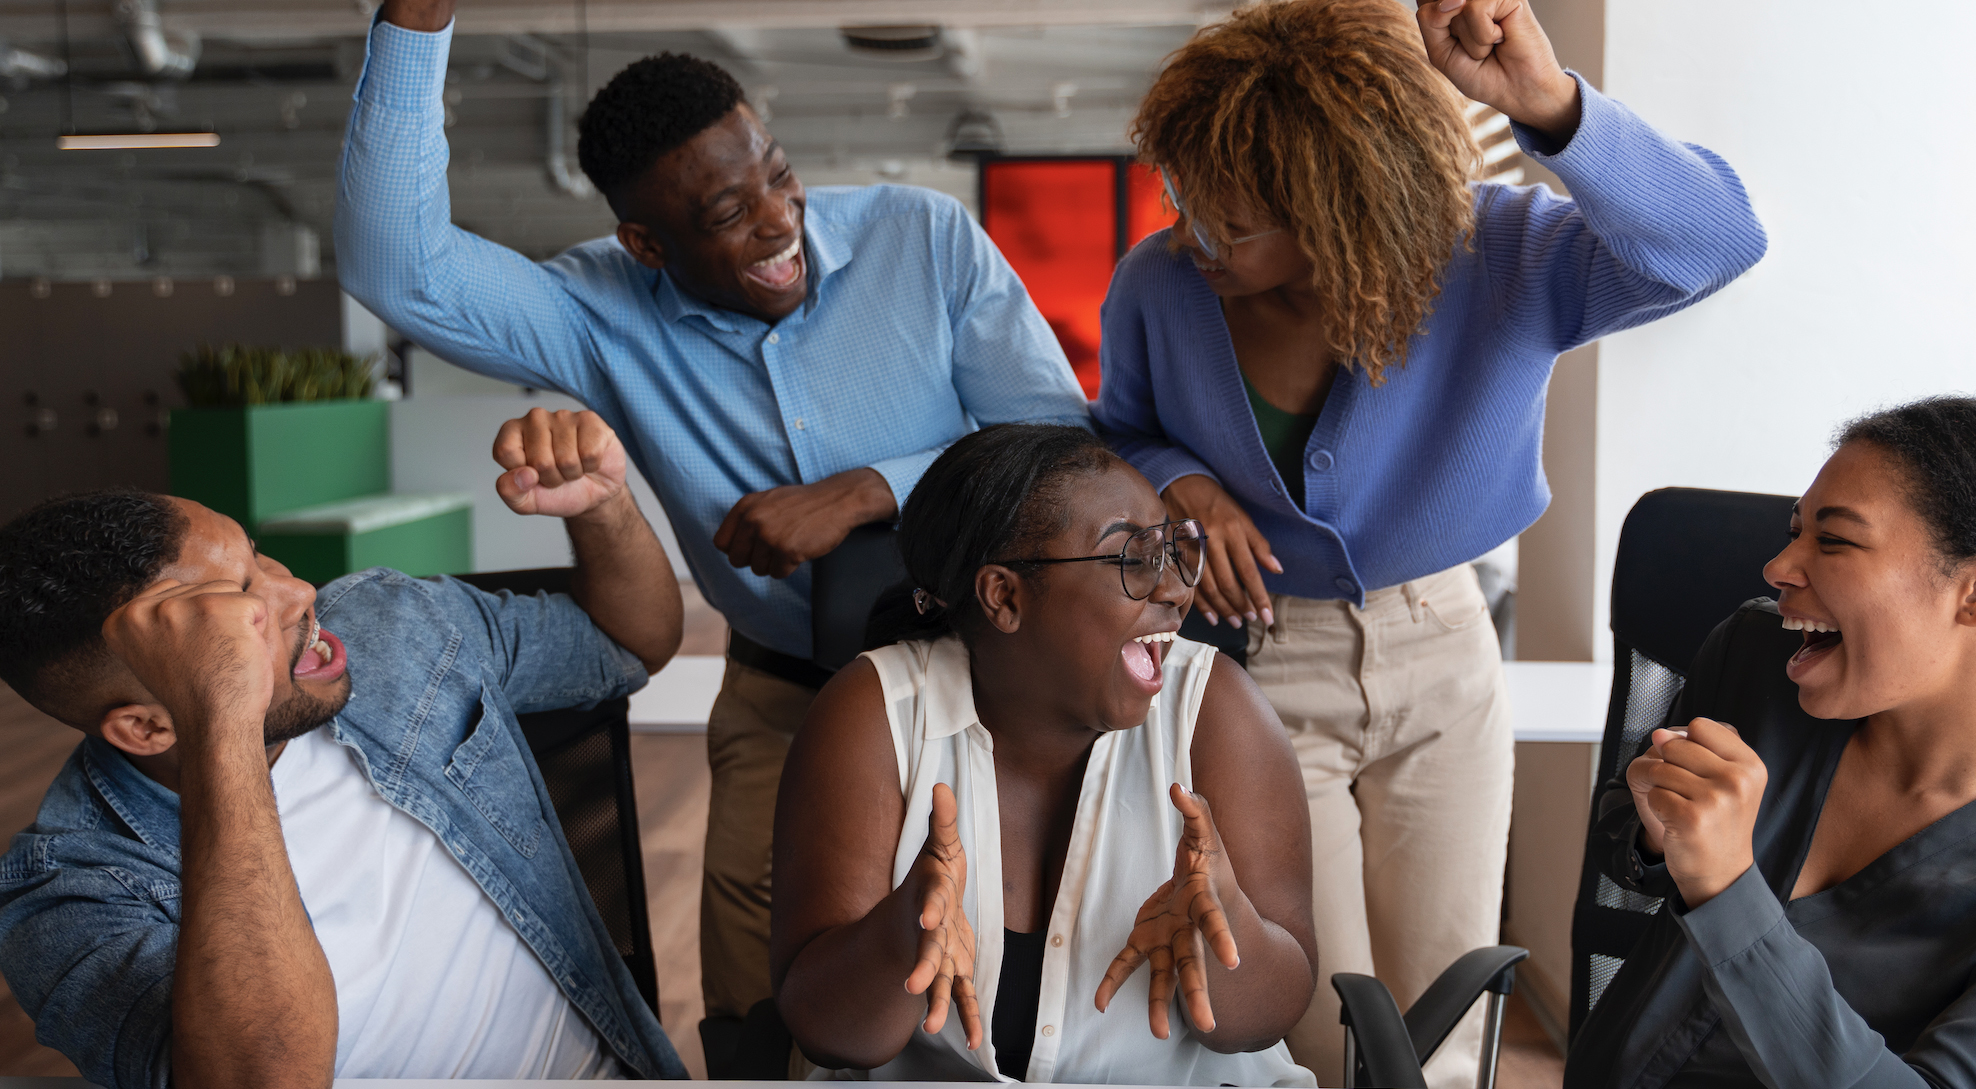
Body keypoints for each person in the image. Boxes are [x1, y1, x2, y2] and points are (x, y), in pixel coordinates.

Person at [335, 0, 1091, 1034]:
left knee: (1000, 980)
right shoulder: (596, 312)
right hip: (787, 697)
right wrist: (415, 23)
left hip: (986, 682)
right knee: (763, 999)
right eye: (727, 215)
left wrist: (871, 491)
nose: (779, 222)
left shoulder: (922, 238)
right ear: (645, 241)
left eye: (776, 175)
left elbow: (1054, 443)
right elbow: (397, 269)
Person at [1093, 0, 1767, 1079]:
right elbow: (1121, 429)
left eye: (1230, 219)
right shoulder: (1160, 287)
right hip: (1257, 660)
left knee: (1449, 1006)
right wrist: (1184, 486)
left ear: (1330, 208)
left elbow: (1716, 242)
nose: (1192, 235)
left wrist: (1548, 102)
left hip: (1444, 644)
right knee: (1308, 1010)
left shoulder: (1499, 256)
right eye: (1184, 200)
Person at [0, 409, 687, 1087]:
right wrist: (222, 719)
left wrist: (603, 509)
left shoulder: (392, 625)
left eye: (258, 556)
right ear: (147, 727)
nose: (299, 591)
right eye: (239, 611)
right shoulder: (68, 896)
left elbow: (628, 644)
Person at [1567, 397, 1976, 1087]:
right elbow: (1623, 829)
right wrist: (1654, 828)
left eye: (1833, 540)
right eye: (1794, 531)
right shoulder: (1752, 658)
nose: (1778, 566)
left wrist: (1727, 889)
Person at [769, 424, 1316, 1083]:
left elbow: (1271, 1014)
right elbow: (829, 1034)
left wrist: (1228, 917)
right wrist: (899, 933)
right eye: (1131, 559)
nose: (1175, 589)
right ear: (1004, 595)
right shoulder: (873, 713)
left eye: (1173, 551)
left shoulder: (1216, 709)